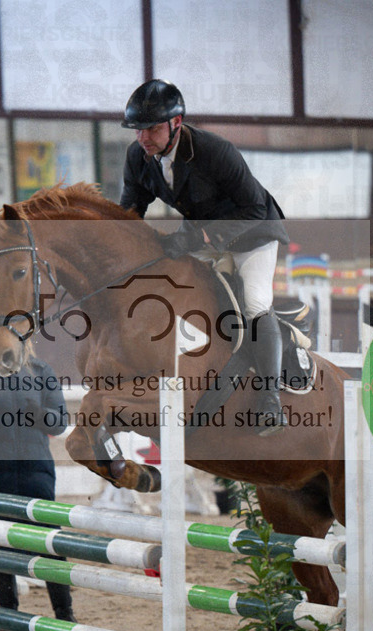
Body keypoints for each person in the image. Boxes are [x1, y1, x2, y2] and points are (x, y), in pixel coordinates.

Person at [119, 78, 291, 436]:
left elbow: (254, 208)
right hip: (202, 235)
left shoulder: (214, 151)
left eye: (151, 128)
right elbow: (130, 211)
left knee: (255, 301)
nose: (142, 138)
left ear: (176, 123)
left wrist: (201, 237)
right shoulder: (139, 157)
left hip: (253, 233)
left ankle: (271, 399)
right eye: (138, 130)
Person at [0, 349, 75, 623]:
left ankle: (64, 612)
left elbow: (60, 422)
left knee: (49, 540)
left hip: (35, 470)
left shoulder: (41, 370)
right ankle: (7, 609)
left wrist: (39, 414)